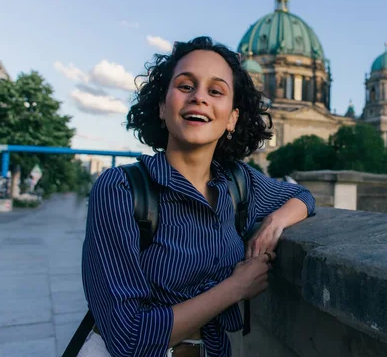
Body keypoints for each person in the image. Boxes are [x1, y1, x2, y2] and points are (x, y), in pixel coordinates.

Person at [79, 36, 316, 357]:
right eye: (186, 86)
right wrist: (236, 288)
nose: (199, 98)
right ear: (162, 106)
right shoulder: (119, 189)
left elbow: (302, 195)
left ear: (232, 117)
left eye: (215, 91)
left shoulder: (238, 181)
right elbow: (128, 339)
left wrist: (275, 221)